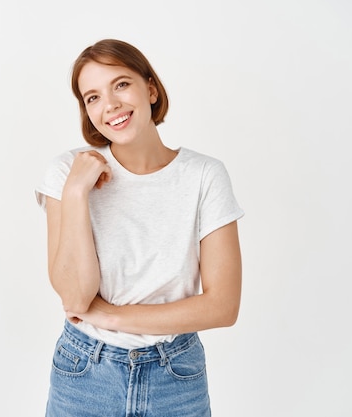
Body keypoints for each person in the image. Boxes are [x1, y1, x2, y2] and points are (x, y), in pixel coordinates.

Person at [35, 39, 244, 417]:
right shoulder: (68, 173)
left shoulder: (203, 176)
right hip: (84, 373)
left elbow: (222, 306)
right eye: (92, 97)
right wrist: (77, 192)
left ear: (150, 88)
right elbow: (75, 298)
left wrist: (113, 316)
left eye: (121, 84)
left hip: (176, 375)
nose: (110, 105)